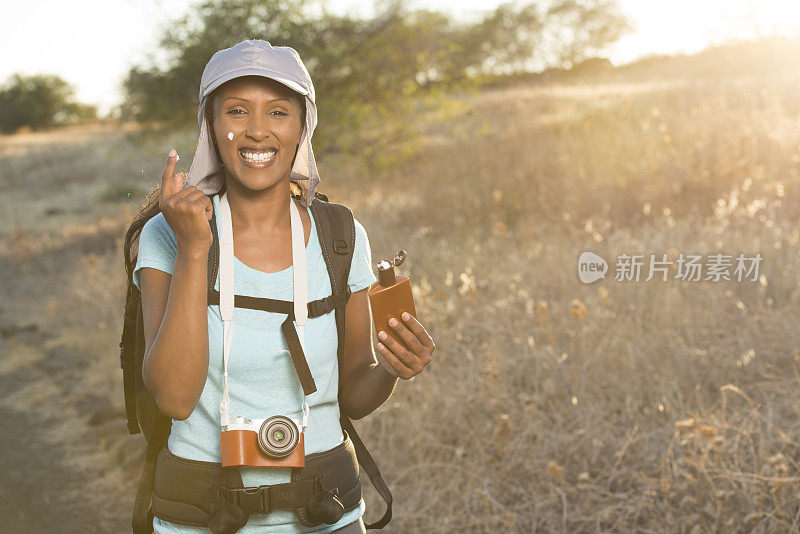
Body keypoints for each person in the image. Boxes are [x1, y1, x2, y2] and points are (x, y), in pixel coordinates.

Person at [125, 40, 436, 533]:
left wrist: (392, 369)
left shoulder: (340, 236)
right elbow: (175, 399)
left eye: (278, 111)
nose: (256, 130)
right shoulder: (168, 234)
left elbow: (353, 395)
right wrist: (193, 249)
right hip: (200, 517)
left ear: (301, 128)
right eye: (235, 110)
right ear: (211, 125)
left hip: (327, 512)